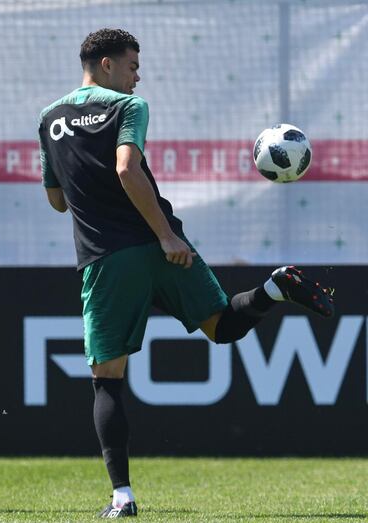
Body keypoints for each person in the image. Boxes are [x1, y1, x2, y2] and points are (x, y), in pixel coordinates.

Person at [38, 28, 334, 518]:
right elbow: (128, 169)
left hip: (108, 257)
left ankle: (122, 497)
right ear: (107, 65)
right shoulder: (128, 107)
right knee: (223, 326)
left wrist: (83, 178)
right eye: (133, 65)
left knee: (106, 380)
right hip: (163, 243)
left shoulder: (49, 118)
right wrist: (167, 237)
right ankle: (274, 288)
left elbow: (56, 199)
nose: (138, 75)